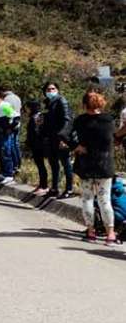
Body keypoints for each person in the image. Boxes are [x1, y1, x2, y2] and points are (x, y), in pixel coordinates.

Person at [71, 91, 119, 246]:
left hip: (85, 164)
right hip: (104, 165)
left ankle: (90, 231)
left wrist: (76, 146)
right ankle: (110, 234)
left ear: (84, 104)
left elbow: (64, 134)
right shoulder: (109, 120)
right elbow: (113, 139)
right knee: (105, 201)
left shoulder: (80, 120)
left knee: (87, 199)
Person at [41, 82, 74, 199]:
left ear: (57, 89)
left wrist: (63, 138)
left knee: (66, 164)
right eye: (48, 89)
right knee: (54, 164)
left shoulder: (62, 101)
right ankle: (54, 188)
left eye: (53, 88)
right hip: (51, 138)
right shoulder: (49, 103)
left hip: (61, 138)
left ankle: (69, 189)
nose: (50, 91)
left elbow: (67, 120)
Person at [25, 101, 48, 196]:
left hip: (39, 145)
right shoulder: (35, 116)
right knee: (39, 165)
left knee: (41, 165)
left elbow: (37, 132)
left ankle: (44, 186)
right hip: (35, 144)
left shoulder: (38, 117)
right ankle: (41, 184)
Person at [2, 88, 22, 173]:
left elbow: (8, 114)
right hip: (17, 123)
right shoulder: (17, 97)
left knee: (9, 145)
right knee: (16, 144)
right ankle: (18, 163)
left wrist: (8, 127)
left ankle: (14, 164)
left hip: (10, 125)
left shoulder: (6, 99)